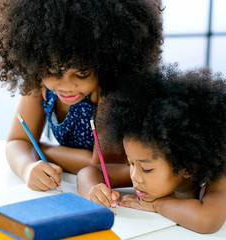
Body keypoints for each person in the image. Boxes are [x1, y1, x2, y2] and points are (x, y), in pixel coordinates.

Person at [0, 0, 163, 191]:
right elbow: (16, 142)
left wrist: (40, 149)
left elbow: (101, 165)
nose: (66, 86)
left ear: (105, 66)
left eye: (82, 74)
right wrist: (28, 167)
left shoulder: (110, 93)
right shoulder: (40, 87)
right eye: (52, 71)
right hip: (71, 184)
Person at [77, 65, 226, 233]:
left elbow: (206, 221)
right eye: (131, 163)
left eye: (146, 169)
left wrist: (156, 204)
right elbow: (88, 172)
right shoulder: (150, 171)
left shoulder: (218, 177)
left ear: (188, 168)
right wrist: (93, 190)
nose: (134, 177)